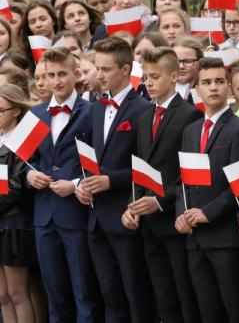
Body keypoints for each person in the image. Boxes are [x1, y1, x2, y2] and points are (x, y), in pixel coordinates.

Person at [74, 37, 154, 322]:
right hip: (96, 218)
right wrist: (84, 184)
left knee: (136, 296)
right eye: (97, 68)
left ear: (125, 69)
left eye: (105, 69)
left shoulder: (144, 109)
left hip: (126, 215)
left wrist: (112, 181)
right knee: (110, 295)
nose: (99, 75)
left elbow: (149, 167)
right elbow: (91, 160)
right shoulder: (95, 107)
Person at [123, 46, 203, 323]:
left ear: (173, 75)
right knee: (163, 296)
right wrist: (131, 207)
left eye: (155, 76)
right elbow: (139, 167)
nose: (149, 83)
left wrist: (161, 200)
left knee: (185, 295)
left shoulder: (190, 115)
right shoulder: (144, 117)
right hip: (148, 225)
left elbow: (189, 172)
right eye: (145, 77)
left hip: (174, 219)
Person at [175, 57, 239, 323]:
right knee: (208, 313)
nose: (213, 87)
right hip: (195, 240)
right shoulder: (190, 131)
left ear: (229, 88)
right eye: (206, 82)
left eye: (220, 81)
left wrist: (207, 213)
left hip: (226, 239)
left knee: (237, 310)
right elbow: (183, 182)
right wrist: (181, 213)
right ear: (197, 89)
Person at [26, 48, 99, 321]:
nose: (56, 81)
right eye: (50, 75)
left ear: (76, 75)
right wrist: (29, 176)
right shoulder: (35, 114)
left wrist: (77, 182)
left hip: (76, 212)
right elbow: (25, 160)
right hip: (44, 215)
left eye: (62, 74)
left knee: (83, 289)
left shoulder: (91, 112)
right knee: (54, 291)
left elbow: (99, 160)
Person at [0, 84, 37, 323]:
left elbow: (16, 186)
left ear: (15, 111)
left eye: (0, 110)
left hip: (14, 221)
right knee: (2, 295)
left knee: (17, 293)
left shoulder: (24, 139)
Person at [19, 0, 57, 68]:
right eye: (32, 22)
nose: (38, 25)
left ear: (53, 20)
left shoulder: (66, 43)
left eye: (43, 19)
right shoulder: (23, 55)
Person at [172, 36, 204, 102]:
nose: (181, 66)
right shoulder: (159, 93)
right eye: (176, 61)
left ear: (200, 62)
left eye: (188, 61)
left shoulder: (209, 93)